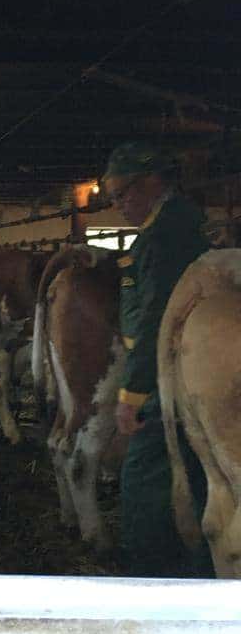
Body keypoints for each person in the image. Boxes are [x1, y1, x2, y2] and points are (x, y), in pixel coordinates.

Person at [103, 141, 214, 577]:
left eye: (122, 193)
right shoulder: (169, 226)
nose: (119, 205)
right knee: (192, 471)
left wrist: (132, 393)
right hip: (172, 369)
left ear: (151, 182)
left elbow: (157, 319)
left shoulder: (167, 234)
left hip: (167, 374)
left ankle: (151, 576)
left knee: (145, 477)